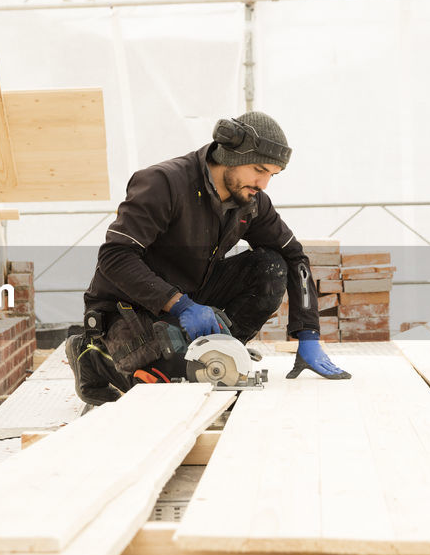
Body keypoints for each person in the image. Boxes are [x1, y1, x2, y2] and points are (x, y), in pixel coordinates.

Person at [68, 111, 350, 405]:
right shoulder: (164, 183)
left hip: (190, 296)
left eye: (271, 175)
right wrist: (180, 304)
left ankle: (221, 351)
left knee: (270, 267)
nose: (263, 184)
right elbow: (115, 257)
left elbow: (294, 257)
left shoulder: (250, 201)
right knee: (163, 388)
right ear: (231, 154)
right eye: (258, 169)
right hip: (129, 303)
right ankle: (91, 355)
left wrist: (308, 333)